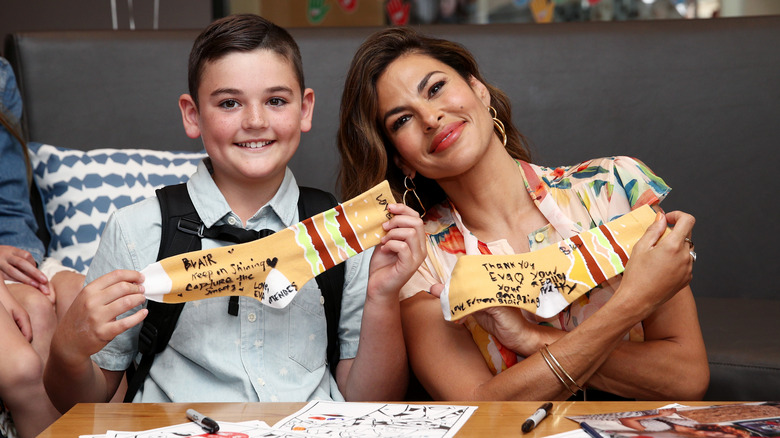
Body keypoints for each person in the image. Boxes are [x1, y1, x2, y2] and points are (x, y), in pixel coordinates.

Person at [44, 14, 424, 411]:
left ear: (305, 109)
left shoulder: (343, 232)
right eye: (229, 103)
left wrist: (383, 296)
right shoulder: (136, 230)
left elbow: (369, 401)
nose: (255, 121)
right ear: (193, 115)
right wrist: (68, 349)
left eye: (276, 100)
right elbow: (82, 402)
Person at [336, 27, 709, 401]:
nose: (430, 117)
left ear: (478, 89)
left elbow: (687, 377)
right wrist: (633, 303)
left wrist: (533, 339)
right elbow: (479, 409)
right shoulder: (419, 262)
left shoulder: (613, 188)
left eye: (435, 88)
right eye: (401, 120)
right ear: (402, 160)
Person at [0, 56, 85, 437]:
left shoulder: (0, 76)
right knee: (30, 330)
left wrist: (27, 270)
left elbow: (10, 206)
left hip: (13, 249)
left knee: (81, 297)